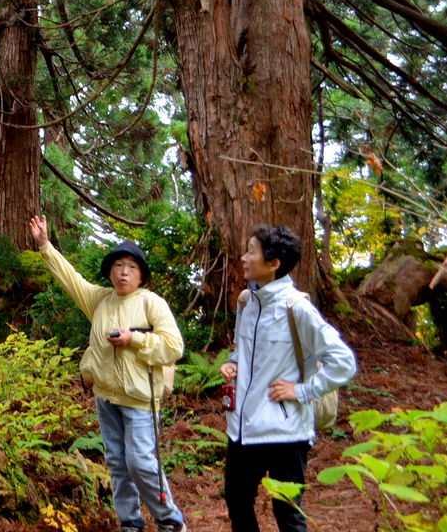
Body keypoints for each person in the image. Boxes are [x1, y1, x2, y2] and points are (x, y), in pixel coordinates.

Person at [27, 215, 187, 532]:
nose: (124, 272)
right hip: (106, 397)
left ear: (141, 274)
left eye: (131, 267)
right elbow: (70, 279)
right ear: (110, 271)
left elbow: (173, 347)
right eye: (118, 266)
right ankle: (130, 523)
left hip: (141, 399)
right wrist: (45, 245)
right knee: (117, 463)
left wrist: (134, 339)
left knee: (141, 463)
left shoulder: (151, 303)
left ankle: (170, 521)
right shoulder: (100, 301)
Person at [219, 225, 357, 532]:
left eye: (251, 252)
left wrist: (303, 390)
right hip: (242, 429)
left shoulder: (297, 308)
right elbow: (243, 351)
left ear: (273, 264)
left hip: (285, 432)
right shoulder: (246, 302)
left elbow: (343, 361)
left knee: (288, 513)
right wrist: (232, 364)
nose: (243, 258)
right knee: (237, 502)